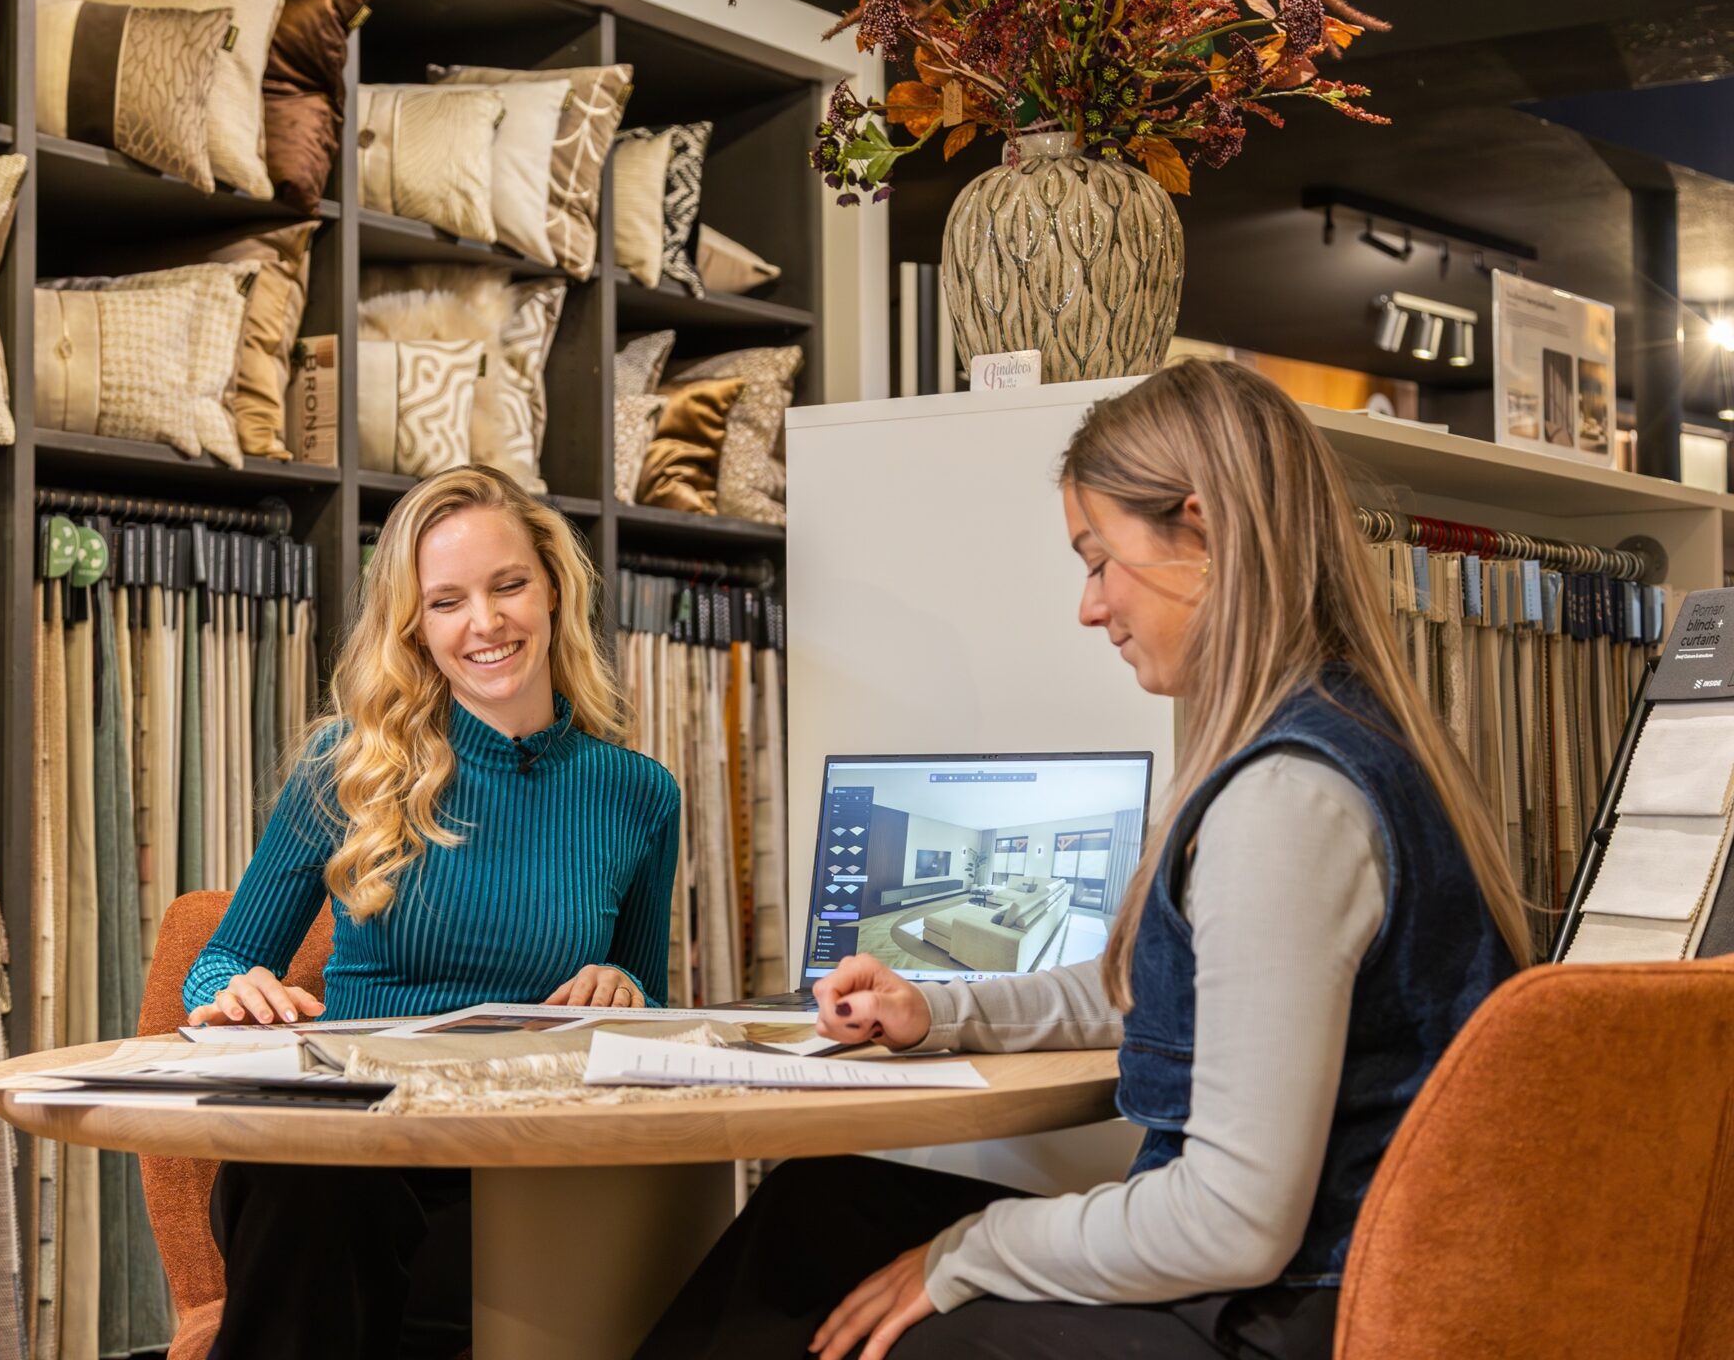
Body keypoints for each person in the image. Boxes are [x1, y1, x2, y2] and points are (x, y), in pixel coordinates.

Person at [635, 360, 1532, 1360]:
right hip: (1322, 1278)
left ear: (1203, 531)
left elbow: (1231, 1221)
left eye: (1099, 559)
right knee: (817, 1210)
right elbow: (1163, 996)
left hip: (1310, 1312)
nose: (1088, 605)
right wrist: (940, 1010)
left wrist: (972, 1247)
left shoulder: (1285, 804)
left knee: (876, 1316)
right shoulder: (1337, 741)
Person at [185, 466, 681, 1360]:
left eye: (508, 586)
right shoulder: (348, 766)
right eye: (446, 600)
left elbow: (654, 1001)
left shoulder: (637, 793)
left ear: (555, 589)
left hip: (522, 1157)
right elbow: (218, 964)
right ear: (414, 624)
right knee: (320, 1192)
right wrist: (236, 992)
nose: (484, 623)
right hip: (348, 1155)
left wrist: (626, 983)